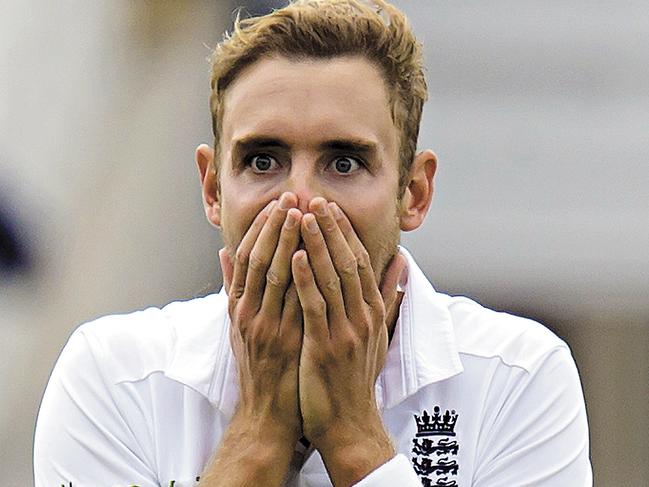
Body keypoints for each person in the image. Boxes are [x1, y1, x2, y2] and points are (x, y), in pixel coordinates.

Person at [33, 1, 592, 486]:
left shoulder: (518, 377)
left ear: (414, 192)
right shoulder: (111, 375)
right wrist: (258, 433)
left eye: (343, 163)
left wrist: (353, 437)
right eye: (263, 161)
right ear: (212, 189)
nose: (298, 200)